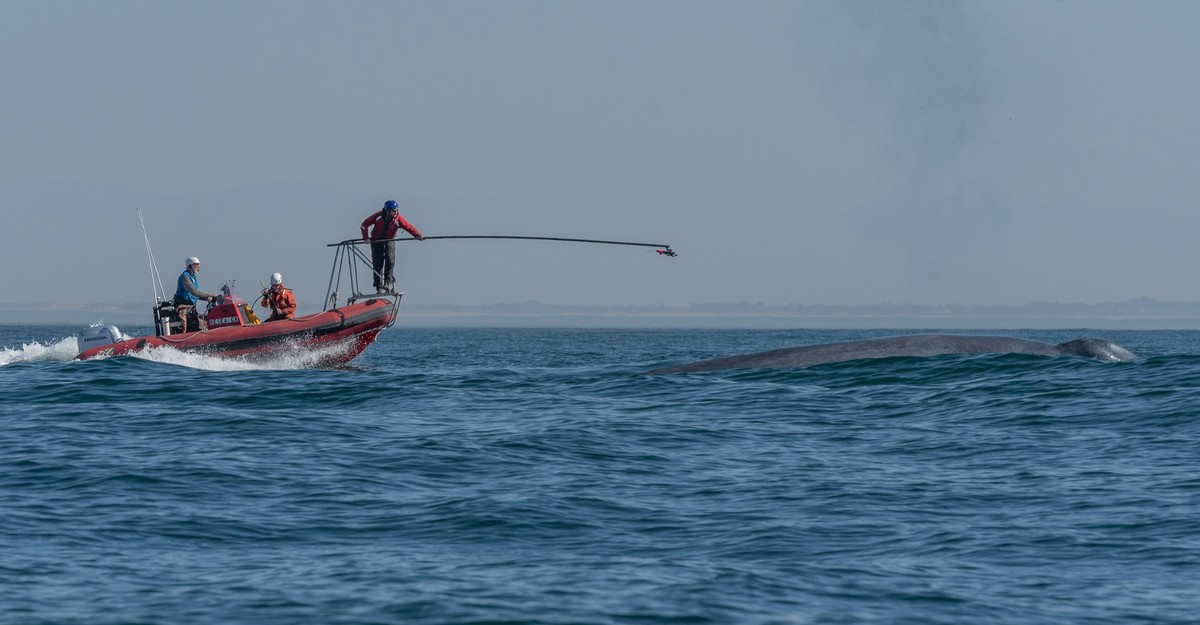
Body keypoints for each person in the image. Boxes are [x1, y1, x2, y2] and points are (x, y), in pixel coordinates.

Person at [360, 200, 423, 294]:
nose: (396, 212)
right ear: (387, 210)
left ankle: (387, 282)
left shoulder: (398, 219)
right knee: (378, 262)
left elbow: (409, 227)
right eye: (393, 211)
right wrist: (366, 238)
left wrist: (417, 235)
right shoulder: (378, 216)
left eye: (397, 210)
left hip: (389, 240)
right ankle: (378, 285)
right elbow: (364, 225)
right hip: (376, 240)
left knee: (390, 260)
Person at [174, 256, 216, 332]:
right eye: (196, 265)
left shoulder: (192, 276)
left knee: (201, 325)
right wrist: (209, 295)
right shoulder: (185, 277)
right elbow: (193, 291)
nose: (198, 267)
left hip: (191, 307)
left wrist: (206, 299)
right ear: (190, 266)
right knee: (193, 327)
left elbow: (193, 294)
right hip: (184, 307)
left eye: (198, 265)